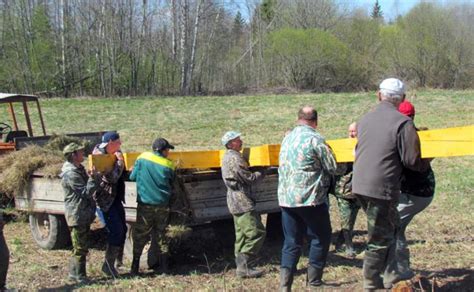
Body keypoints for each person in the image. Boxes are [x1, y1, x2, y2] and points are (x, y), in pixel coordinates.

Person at [352, 78, 428, 290]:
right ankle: (372, 285)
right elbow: (411, 161)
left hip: (359, 184)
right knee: (378, 237)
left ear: (379, 95)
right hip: (381, 188)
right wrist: (426, 162)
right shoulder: (403, 123)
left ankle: (392, 278)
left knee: (391, 228)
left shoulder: (365, 119)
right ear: (402, 99)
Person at [278, 106, 338, 291]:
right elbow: (332, 166)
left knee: (291, 241)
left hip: (286, 199)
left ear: (298, 119)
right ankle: (314, 281)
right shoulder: (315, 139)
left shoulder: (287, 139)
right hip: (310, 199)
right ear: (315, 121)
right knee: (320, 237)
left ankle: (285, 284)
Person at [386, 100, 436, 278]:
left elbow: (415, 164)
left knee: (392, 227)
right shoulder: (412, 134)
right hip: (415, 191)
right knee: (395, 227)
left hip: (415, 192)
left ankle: (401, 271)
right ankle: (400, 269)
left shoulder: (410, 136)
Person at [221, 131, 266, 278]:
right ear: (230, 144)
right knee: (256, 233)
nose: (241, 141)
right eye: (237, 140)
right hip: (242, 201)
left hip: (235, 201)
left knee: (241, 235)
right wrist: (262, 171)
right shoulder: (234, 158)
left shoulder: (229, 157)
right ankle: (245, 265)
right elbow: (249, 179)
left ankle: (241, 267)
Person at [129, 138, 176, 275]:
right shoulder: (169, 165)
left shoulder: (142, 158)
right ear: (162, 150)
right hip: (162, 205)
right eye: (168, 150)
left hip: (145, 205)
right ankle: (164, 268)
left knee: (140, 235)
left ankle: (134, 267)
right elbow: (172, 184)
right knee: (162, 235)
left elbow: (132, 177)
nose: (169, 152)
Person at [60, 142, 101, 283]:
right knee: (80, 247)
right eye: (80, 152)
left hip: (82, 213)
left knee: (79, 246)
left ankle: (74, 274)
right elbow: (85, 192)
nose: (82, 154)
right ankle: (80, 276)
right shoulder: (71, 173)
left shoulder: (78, 169)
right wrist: (94, 178)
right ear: (73, 155)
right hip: (77, 214)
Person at [92, 131, 127, 277]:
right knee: (116, 231)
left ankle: (117, 262)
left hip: (115, 198)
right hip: (104, 201)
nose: (120, 145)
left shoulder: (115, 152)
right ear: (110, 142)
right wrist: (119, 162)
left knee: (123, 229)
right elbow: (111, 178)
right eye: (118, 142)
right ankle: (107, 266)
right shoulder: (98, 157)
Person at [332, 122, 361, 258]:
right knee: (346, 218)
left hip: (360, 190)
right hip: (344, 190)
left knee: (352, 217)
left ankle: (341, 241)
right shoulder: (342, 148)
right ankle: (349, 246)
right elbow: (338, 170)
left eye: (354, 131)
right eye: (350, 131)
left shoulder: (364, 146)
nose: (351, 134)